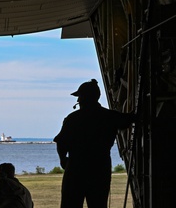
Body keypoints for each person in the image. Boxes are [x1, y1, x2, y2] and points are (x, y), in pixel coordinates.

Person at [53, 79, 136, 208]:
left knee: (70, 204)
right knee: (98, 204)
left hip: (76, 168)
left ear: (84, 98)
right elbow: (129, 119)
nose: (78, 100)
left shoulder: (73, 118)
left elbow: (62, 143)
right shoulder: (110, 116)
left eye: (79, 97)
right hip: (100, 168)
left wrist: (63, 160)